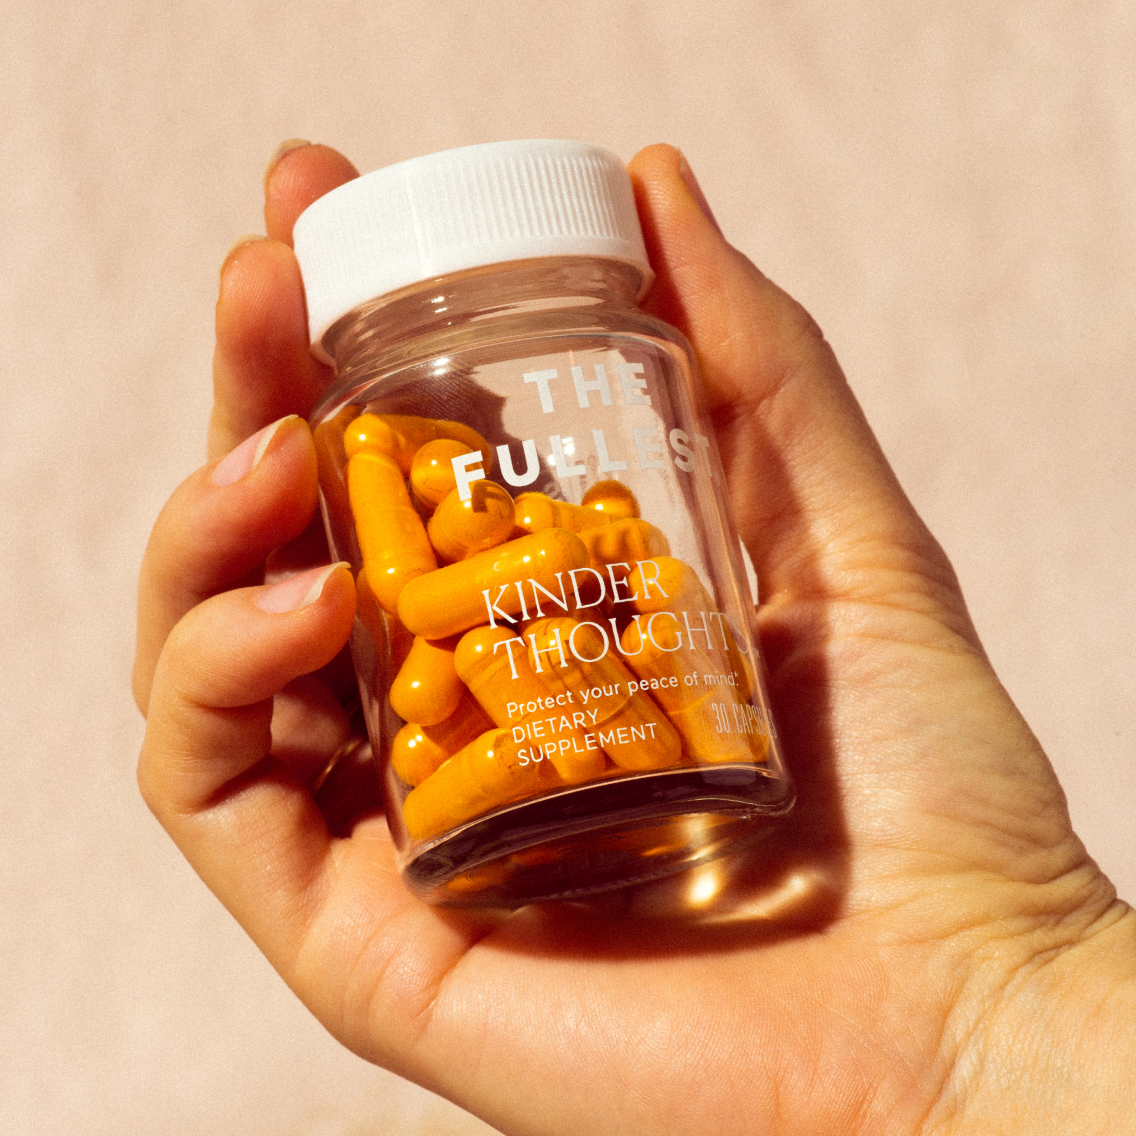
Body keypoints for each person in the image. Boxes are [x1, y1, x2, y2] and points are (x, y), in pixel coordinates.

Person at [132, 141, 1135, 1134]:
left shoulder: (633, 357)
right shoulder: (365, 424)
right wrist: (972, 1054)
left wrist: (999, 994)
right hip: (505, 824)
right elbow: (414, 603)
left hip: (721, 794)